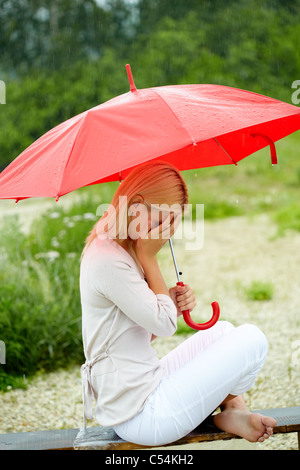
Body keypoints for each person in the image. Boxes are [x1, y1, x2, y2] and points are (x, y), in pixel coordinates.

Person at [80, 160, 276, 447]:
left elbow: (143, 330)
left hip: (144, 391)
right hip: (144, 417)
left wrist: (167, 300)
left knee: (223, 331)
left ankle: (234, 410)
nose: (165, 232)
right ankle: (232, 410)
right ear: (135, 206)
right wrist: (150, 258)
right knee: (253, 338)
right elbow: (165, 324)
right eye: (162, 221)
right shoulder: (109, 260)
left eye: (171, 223)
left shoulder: (117, 244)